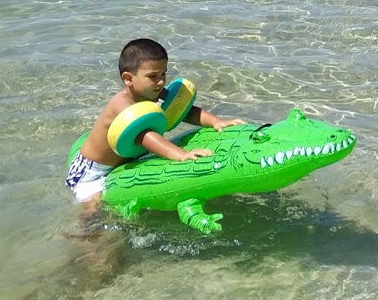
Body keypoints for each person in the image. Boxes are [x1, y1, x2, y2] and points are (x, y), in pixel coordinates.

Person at [66, 38, 245, 207]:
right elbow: (143, 136)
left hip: (121, 163)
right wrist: (180, 154)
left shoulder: (153, 92)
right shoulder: (122, 105)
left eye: (163, 74)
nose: (160, 82)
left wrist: (216, 122)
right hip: (92, 170)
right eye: (152, 76)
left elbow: (184, 111)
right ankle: (80, 236)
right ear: (128, 78)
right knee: (94, 208)